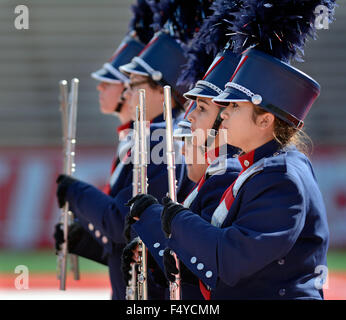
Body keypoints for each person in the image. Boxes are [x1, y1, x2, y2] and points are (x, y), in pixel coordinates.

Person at [157, 0, 336, 299]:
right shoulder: (259, 168)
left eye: (235, 106)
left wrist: (171, 218)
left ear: (265, 119)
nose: (223, 113)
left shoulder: (283, 177)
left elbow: (231, 259)